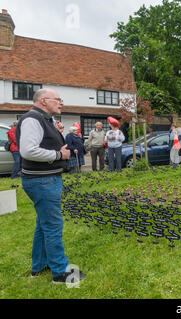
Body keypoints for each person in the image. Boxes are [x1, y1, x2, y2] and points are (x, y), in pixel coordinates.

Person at [16, 88, 86, 284]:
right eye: (58, 99)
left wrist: (57, 137)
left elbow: (41, 144)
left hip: (44, 180)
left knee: (43, 224)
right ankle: (60, 273)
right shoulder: (33, 118)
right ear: (44, 101)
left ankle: (38, 266)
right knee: (53, 225)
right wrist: (58, 155)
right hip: (42, 181)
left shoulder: (43, 119)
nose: (61, 103)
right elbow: (28, 151)